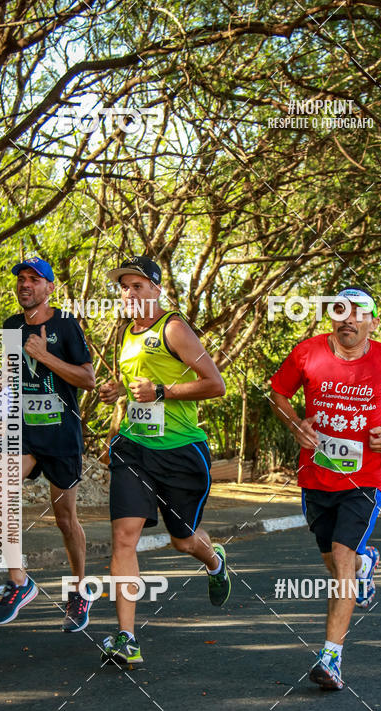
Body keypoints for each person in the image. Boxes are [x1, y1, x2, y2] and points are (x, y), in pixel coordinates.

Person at [270, 287, 381, 690]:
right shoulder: (307, 353)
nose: (349, 318)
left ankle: (331, 657)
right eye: (340, 310)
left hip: (365, 477)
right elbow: (278, 394)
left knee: (341, 555)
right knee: (333, 563)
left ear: (373, 322)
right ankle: (366, 565)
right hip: (316, 477)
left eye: (359, 312)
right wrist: (296, 425)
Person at [99, 255, 230, 665]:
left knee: (182, 540)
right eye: (124, 287)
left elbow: (215, 384)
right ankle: (126, 638)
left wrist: (162, 392)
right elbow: (136, 385)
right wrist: (117, 392)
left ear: (156, 290)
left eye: (138, 286)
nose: (129, 293)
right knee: (124, 537)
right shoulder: (127, 333)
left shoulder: (173, 328)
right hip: (134, 448)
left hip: (180, 452)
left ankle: (214, 561)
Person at [0, 257, 96, 630]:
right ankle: (19, 581)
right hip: (24, 435)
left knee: (65, 519)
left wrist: (44, 356)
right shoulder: (9, 327)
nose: (25, 284)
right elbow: (3, 383)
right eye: (21, 278)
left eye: (34, 279)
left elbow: (88, 379)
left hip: (62, 436)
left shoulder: (66, 324)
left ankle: (80, 591)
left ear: (50, 287)